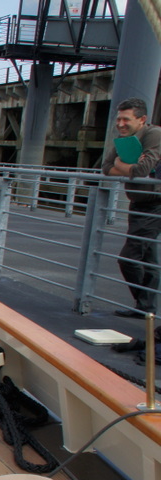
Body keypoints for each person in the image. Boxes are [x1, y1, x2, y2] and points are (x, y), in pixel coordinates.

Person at [102, 97, 161, 318]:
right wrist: (127, 167)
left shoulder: (153, 134)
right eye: (118, 119)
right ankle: (145, 308)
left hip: (154, 204)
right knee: (149, 259)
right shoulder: (124, 139)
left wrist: (122, 164)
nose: (120, 124)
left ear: (142, 119)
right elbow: (106, 168)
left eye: (126, 119)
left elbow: (144, 169)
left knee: (129, 258)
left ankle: (145, 305)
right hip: (138, 202)